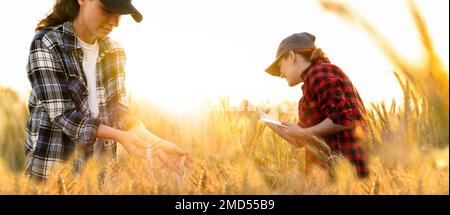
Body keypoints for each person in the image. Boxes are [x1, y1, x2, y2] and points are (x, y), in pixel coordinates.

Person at [25, 0, 191, 182]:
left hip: (99, 179)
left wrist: (155, 142)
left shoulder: (114, 51)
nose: (115, 22)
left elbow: (118, 112)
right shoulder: (47, 43)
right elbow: (64, 115)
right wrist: (121, 137)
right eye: (108, 10)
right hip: (53, 177)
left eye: (120, 14)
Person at [264, 32, 369, 179]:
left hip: (342, 173)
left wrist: (304, 132)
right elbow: (299, 141)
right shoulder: (312, 84)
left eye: (280, 66)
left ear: (292, 57)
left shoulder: (321, 73)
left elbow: (341, 119)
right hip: (331, 175)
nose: (280, 74)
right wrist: (263, 118)